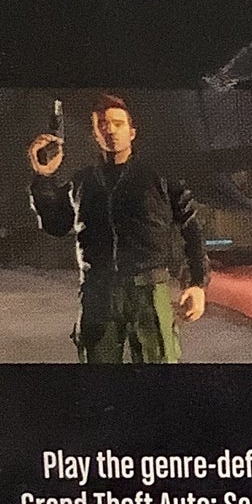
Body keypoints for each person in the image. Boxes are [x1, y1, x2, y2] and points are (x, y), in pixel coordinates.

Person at [28, 93, 209, 362]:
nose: (110, 130)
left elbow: (191, 228)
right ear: (95, 134)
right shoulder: (81, 183)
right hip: (97, 292)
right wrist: (43, 178)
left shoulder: (159, 178)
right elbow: (56, 225)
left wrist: (197, 283)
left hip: (149, 290)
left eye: (118, 123)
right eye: (102, 124)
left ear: (132, 132)